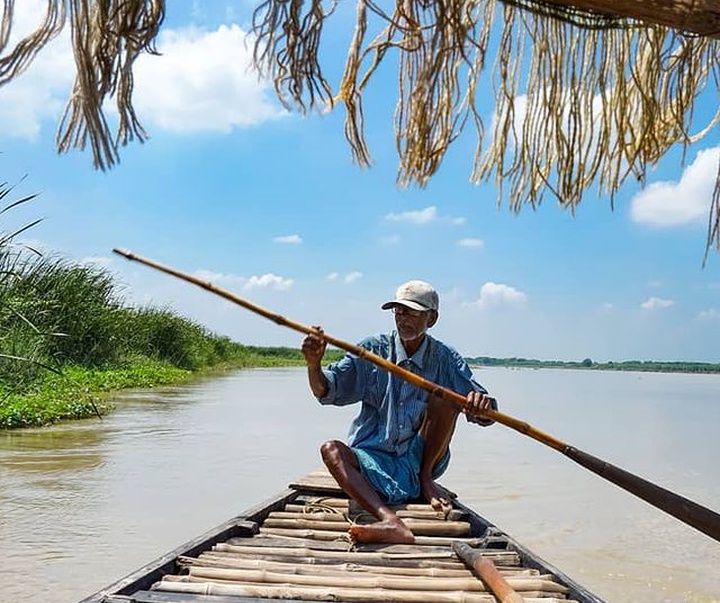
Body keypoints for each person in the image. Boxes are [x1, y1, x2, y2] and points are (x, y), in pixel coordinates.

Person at [301, 279, 498, 544]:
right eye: (399, 310)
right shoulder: (372, 351)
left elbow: (483, 411)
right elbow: (326, 390)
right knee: (331, 450)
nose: (403, 318)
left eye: (412, 311)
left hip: (420, 458)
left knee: (445, 398)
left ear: (432, 319)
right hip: (372, 457)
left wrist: (482, 407)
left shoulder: (445, 358)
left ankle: (425, 480)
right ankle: (391, 522)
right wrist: (314, 365)